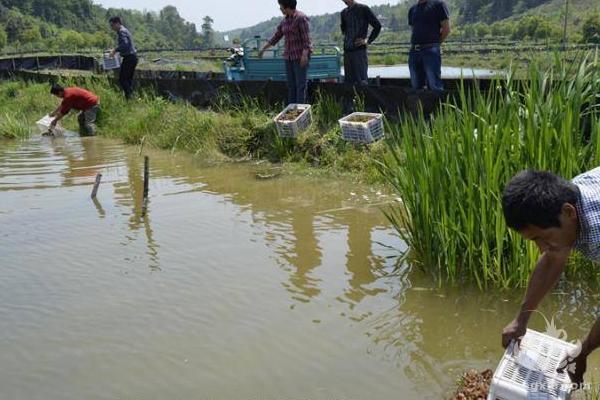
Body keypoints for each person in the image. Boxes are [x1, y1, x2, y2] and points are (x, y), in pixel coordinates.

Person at [501, 168, 600, 386]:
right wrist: (521, 320)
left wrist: (582, 351)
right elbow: (552, 259)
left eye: (543, 238)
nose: (541, 248)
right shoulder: (570, 199)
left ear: (569, 213)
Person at [258, 0, 312, 104]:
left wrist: (305, 55)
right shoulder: (285, 21)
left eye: (281, 6)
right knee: (291, 85)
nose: (280, 9)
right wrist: (264, 49)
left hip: (299, 57)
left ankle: (300, 110)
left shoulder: (301, 18)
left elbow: (307, 40)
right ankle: (291, 109)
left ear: (287, 7)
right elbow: (276, 36)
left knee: (300, 85)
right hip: (289, 57)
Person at [407, 0, 451, 93]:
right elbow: (414, 30)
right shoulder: (412, 9)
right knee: (415, 85)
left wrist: (435, 45)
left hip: (431, 50)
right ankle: (420, 107)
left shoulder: (438, 5)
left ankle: (438, 106)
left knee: (434, 85)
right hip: (414, 51)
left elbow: (446, 29)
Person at [340, 0, 381, 85]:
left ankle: (363, 98)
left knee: (362, 82)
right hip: (347, 52)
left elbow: (377, 26)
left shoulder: (363, 9)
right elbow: (344, 31)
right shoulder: (343, 13)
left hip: (359, 52)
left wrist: (367, 40)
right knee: (349, 83)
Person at [109, 16, 138, 100]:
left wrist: (115, 50)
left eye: (112, 25)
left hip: (129, 58)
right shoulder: (124, 30)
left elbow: (125, 45)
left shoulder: (121, 31)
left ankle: (129, 98)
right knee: (128, 80)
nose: (112, 28)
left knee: (122, 79)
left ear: (117, 23)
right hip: (132, 57)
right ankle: (131, 98)